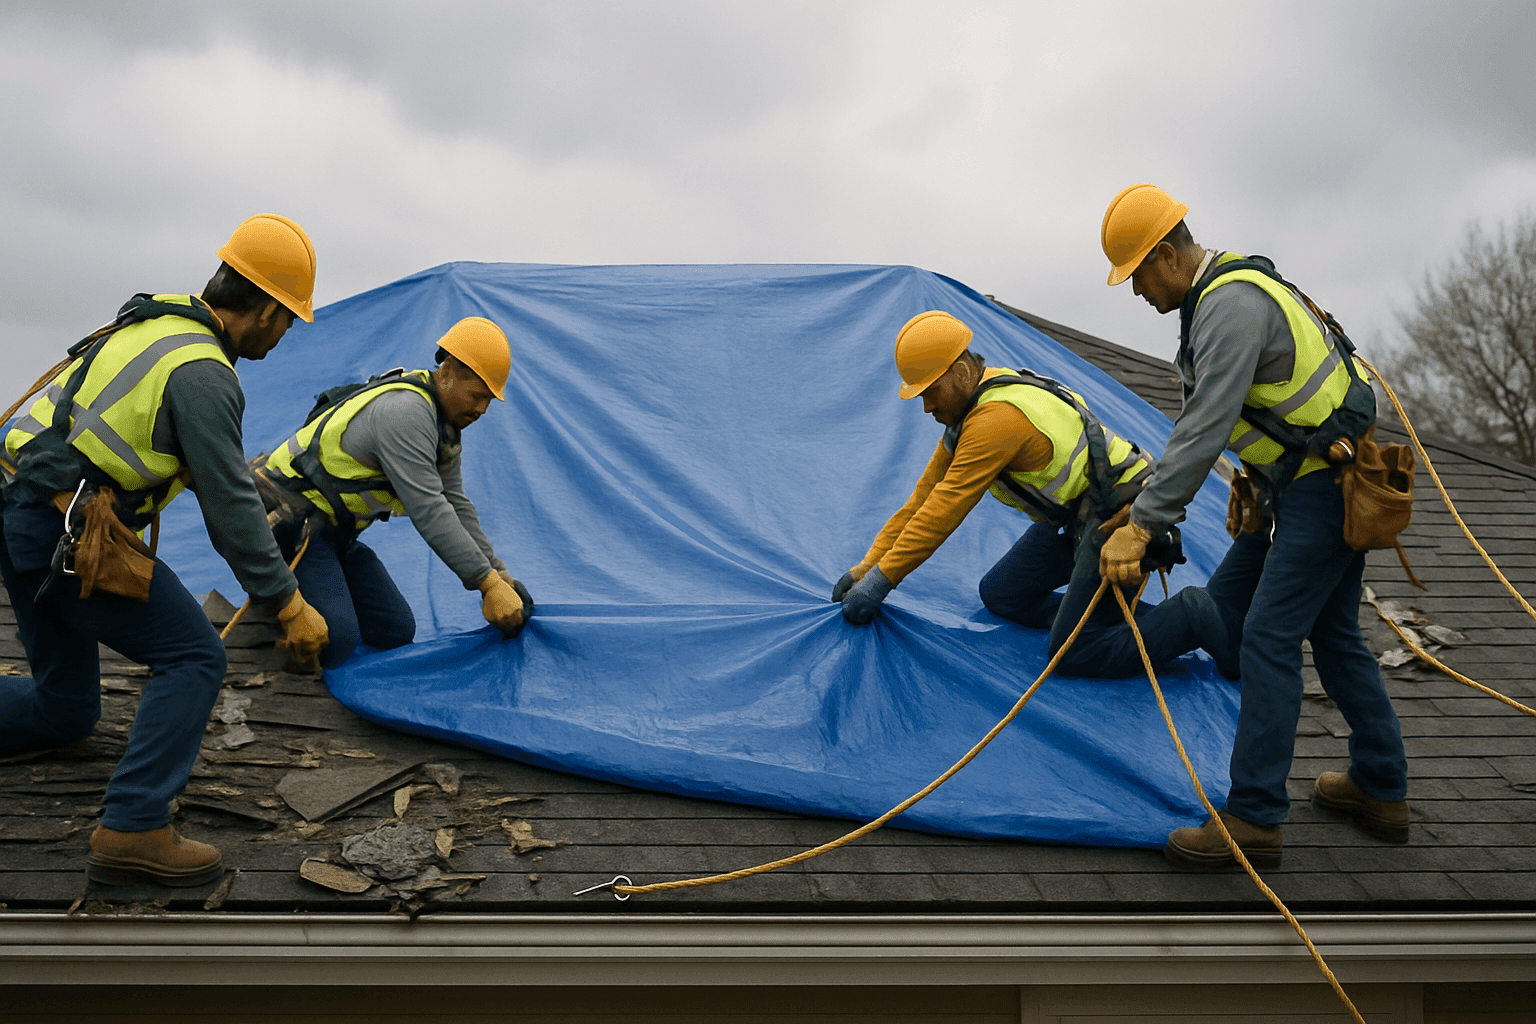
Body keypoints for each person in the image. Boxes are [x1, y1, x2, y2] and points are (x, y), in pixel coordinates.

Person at [0, 214, 330, 887]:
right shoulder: (204, 373)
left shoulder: (151, 325)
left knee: (67, 708)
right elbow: (232, 512)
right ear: (266, 309)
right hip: (62, 536)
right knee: (193, 654)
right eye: (288, 319)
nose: (285, 333)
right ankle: (133, 828)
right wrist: (287, 603)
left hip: (18, 511)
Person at [1097, 183, 1409, 870]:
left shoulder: (1229, 306)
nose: (1138, 292)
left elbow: (1204, 427)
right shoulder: (1229, 294)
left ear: (1168, 256)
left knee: (1268, 637)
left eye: (1138, 276)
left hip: (1324, 491)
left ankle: (1255, 816)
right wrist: (1264, 491)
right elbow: (1271, 416)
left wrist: (1141, 525)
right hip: (1310, 488)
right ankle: (1381, 787)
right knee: (1333, 635)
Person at [833, 310, 1233, 680]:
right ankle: (1107, 614)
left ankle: (1190, 617)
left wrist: (881, 583)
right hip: (1074, 518)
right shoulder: (974, 409)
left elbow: (941, 513)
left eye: (930, 392)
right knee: (1002, 594)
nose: (926, 407)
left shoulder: (996, 421)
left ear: (959, 372)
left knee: (1074, 651)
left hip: (1117, 519)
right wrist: (867, 566)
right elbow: (921, 501)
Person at [255, 316, 532, 669]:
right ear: (448, 371)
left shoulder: (442, 427)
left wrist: (501, 575)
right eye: (478, 395)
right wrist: (486, 583)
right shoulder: (406, 414)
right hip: (290, 526)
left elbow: (455, 504)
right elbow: (430, 509)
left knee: (394, 631)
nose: (481, 409)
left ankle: (315, 600)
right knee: (334, 641)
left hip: (335, 536)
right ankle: (270, 630)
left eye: (489, 401)